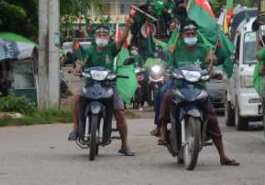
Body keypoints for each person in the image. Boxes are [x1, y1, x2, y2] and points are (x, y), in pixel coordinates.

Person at [156, 21, 239, 166]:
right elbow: (168, 66)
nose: (191, 36)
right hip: (180, 87)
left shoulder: (204, 50)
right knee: (166, 97)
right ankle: (162, 130)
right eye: (188, 34)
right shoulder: (176, 48)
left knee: (212, 118)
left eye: (193, 34)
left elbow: (209, 69)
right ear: (182, 36)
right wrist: (168, 61)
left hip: (199, 89)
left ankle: (222, 155)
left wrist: (213, 70)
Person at [68, 19, 136, 157]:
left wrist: (127, 26)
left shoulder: (111, 49)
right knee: (75, 98)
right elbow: (82, 63)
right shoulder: (90, 51)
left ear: (108, 37)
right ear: (95, 37)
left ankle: (124, 145)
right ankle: (75, 127)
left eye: (105, 35)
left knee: (120, 113)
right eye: (100, 35)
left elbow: (122, 40)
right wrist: (77, 68)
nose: (102, 38)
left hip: (109, 85)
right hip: (90, 84)